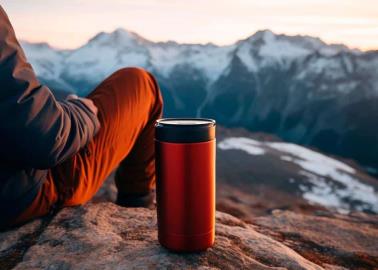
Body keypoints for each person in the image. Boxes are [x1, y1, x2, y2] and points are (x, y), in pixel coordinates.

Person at [0, 5, 163, 229]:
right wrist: (82, 112)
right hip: (18, 198)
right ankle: (135, 214)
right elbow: (44, 140)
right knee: (141, 83)